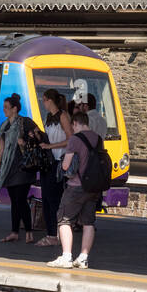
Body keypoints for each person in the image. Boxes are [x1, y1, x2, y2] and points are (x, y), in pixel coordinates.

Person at [47, 110, 103, 269]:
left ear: (75, 123)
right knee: (88, 222)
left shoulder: (75, 139)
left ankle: (66, 257)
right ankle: (83, 258)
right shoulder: (98, 138)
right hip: (94, 187)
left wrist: (64, 166)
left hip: (76, 187)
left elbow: (66, 165)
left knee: (63, 219)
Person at [0, 94, 36, 243]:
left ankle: (29, 232)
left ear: (15, 109)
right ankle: (14, 232)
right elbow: (2, 147)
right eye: (4, 107)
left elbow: (37, 137)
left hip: (24, 167)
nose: (4, 110)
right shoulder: (4, 126)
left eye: (6, 107)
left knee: (21, 199)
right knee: (14, 200)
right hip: (9, 168)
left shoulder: (26, 123)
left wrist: (24, 143)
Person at [35, 89, 71, 248]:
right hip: (47, 162)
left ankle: (54, 234)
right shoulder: (49, 118)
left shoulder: (63, 116)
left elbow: (70, 139)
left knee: (54, 199)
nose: (43, 103)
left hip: (57, 162)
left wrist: (50, 145)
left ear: (50, 100)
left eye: (44, 100)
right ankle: (51, 233)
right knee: (47, 200)